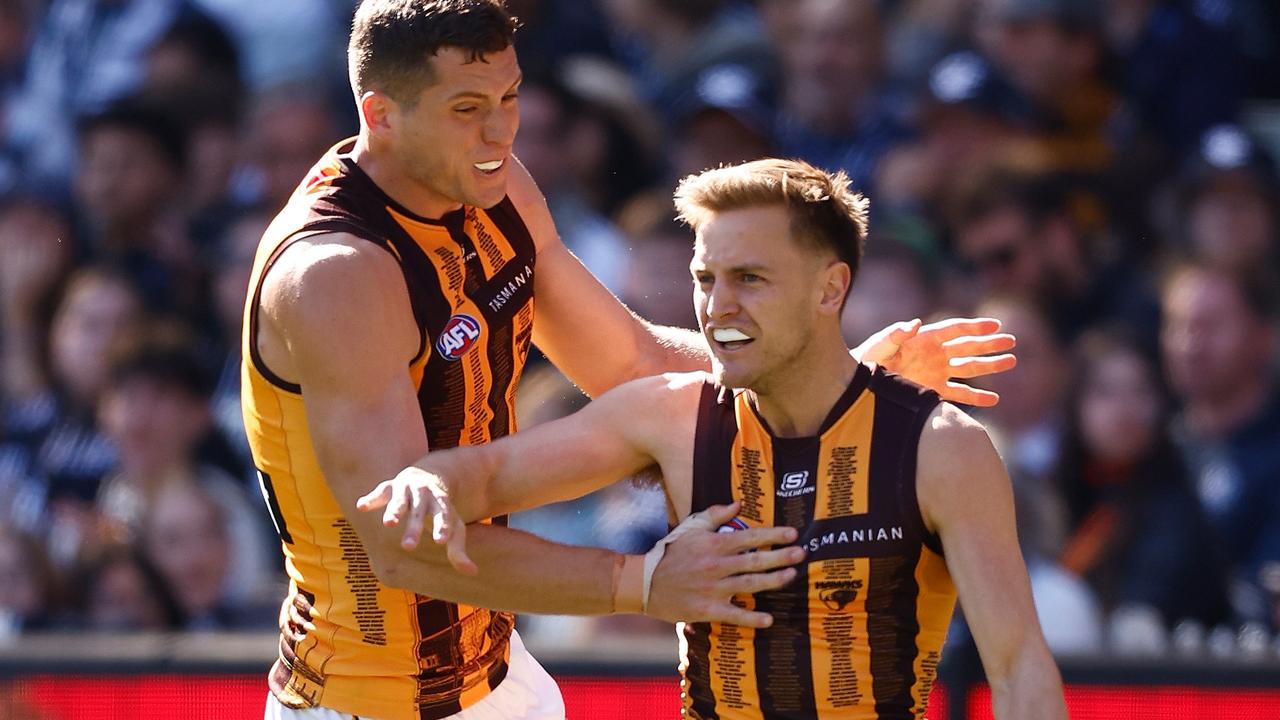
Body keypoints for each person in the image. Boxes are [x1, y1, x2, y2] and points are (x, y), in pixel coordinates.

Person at [244, 3, 1017, 719]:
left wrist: (834, 382)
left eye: (509, 98)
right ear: (380, 116)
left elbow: (631, 360)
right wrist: (640, 584)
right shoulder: (336, 274)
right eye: (467, 110)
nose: (500, 135)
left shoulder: (490, 183)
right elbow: (399, 547)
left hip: (498, 673)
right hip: (360, 700)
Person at [364, 158, 1065, 719]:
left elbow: (1019, 666)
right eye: (706, 278)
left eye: (749, 279)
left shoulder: (940, 445)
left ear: (831, 290)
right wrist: (432, 479)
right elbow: (479, 480)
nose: (716, 306)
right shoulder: (672, 416)